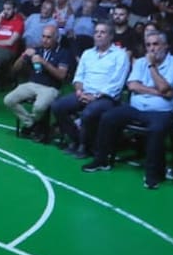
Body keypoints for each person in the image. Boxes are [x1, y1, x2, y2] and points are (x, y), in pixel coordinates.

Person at [82, 30, 173, 190]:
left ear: (165, 46)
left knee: (156, 129)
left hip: (162, 112)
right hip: (136, 107)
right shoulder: (141, 62)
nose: (152, 49)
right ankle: (101, 160)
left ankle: (153, 174)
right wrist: (158, 91)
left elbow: (164, 87)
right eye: (148, 45)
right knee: (108, 117)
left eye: (156, 44)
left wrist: (151, 67)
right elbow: (132, 85)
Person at [51, 20, 130, 158]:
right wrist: (79, 91)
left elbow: (117, 83)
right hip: (84, 93)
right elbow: (78, 77)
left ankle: (85, 145)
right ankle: (75, 139)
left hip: (107, 97)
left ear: (111, 36)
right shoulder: (87, 53)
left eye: (102, 32)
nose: (98, 35)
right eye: (96, 32)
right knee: (58, 106)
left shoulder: (120, 55)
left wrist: (96, 97)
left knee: (89, 112)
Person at [4, 24, 75, 141]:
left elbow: (62, 76)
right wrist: (23, 55)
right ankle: (33, 125)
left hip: (50, 87)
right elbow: (15, 69)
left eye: (48, 37)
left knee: (39, 107)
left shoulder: (64, 53)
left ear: (56, 38)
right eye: (43, 37)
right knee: (9, 100)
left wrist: (44, 63)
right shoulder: (37, 50)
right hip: (31, 84)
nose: (45, 40)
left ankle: (33, 126)